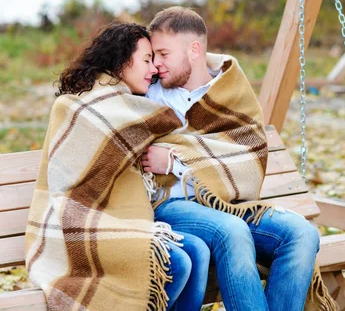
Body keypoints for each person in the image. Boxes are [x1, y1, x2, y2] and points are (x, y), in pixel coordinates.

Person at [141, 6, 338, 311]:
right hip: (170, 205)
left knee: (302, 233)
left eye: (163, 54)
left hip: (228, 202)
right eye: (153, 56)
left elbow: (249, 150)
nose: (156, 64)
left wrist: (178, 158)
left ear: (194, 50)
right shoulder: (148, 93)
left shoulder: (229, 89)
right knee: (231, 230)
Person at [25, 22, 209, 311]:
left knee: (197, 252)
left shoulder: (138, 109)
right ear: (122, 60)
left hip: (135, 224)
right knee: (179, 262)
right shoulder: (75, 107)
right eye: (147, 60)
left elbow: (182, 135)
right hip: (83, 225)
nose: (154, 69)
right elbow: (68, 187)